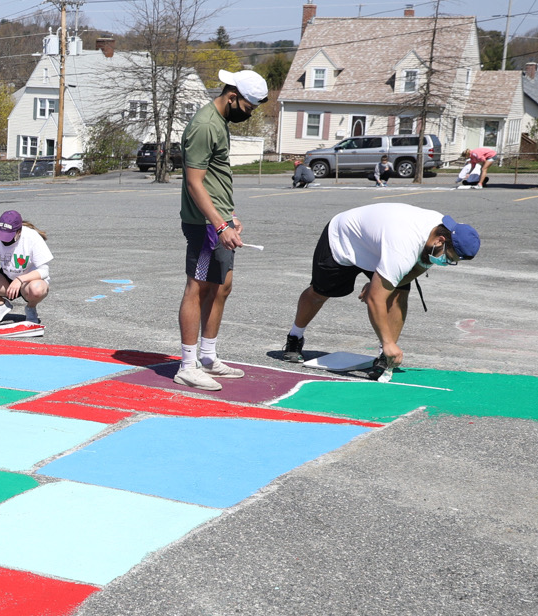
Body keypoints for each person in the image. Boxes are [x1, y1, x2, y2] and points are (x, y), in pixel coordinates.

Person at [279, 203, 481, 371]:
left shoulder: (437, 237)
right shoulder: (406, 244)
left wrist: (380, 283)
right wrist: (378, 293)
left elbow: (416, 270)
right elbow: (375, 299)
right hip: (345, 239)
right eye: (449, 258)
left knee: (400, 292)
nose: (446, 262)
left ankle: (385, 357)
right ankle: (295, 337)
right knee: (320, 293)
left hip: (379, 245)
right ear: (441, 241)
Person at [175, 68, 268, 391]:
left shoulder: (220, 124)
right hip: (204, 224)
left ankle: (207, 357)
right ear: (232, 97)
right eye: (248, 107)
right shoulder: (204, 126)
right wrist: (218, 224)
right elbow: (194, 181)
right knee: (197, 288)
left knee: (222, 286)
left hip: (219, 220)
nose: (249, 113)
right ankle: (187, 365)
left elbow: (215, 178)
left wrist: (230, 216)